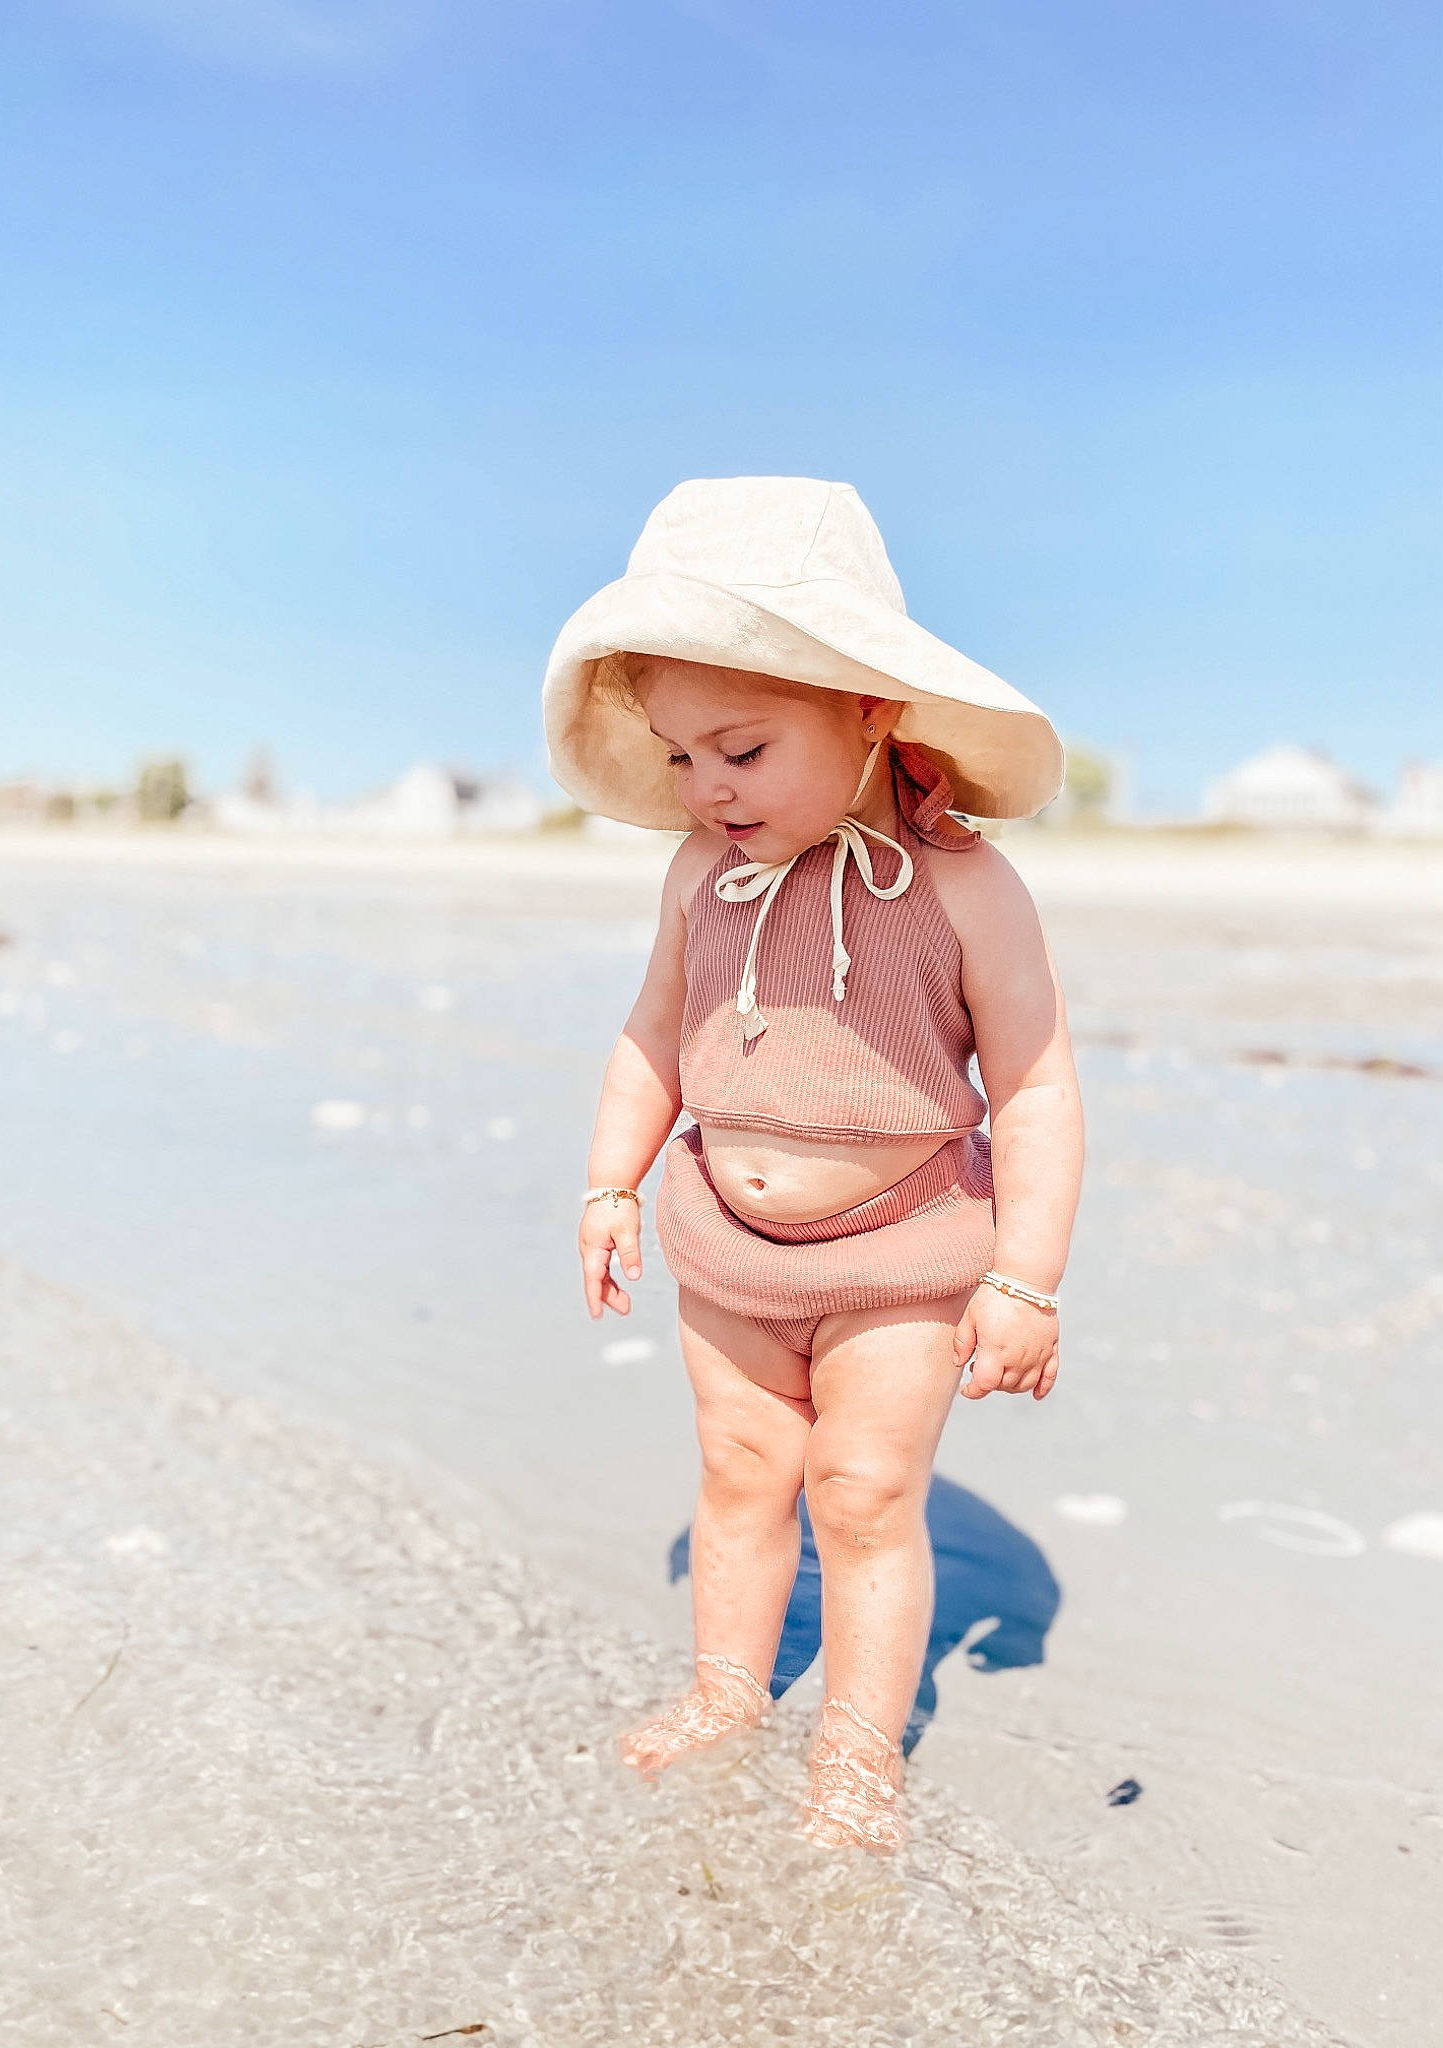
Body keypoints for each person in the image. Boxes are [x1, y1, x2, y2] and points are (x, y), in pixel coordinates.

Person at [542, 477, 1084, 1852]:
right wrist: (612, 1182)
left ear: (870, 713)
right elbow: (649, 1040)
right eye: (678, 757)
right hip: (726, 1233)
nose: (706, 789)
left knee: (861, 1491)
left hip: (902, 1253)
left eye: (741, 749)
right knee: (738, 1471)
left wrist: (1026, 1280)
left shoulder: (966, 890)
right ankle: (728, 1690)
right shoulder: (696, 880)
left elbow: (1032, 1087)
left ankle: (855, 1747)